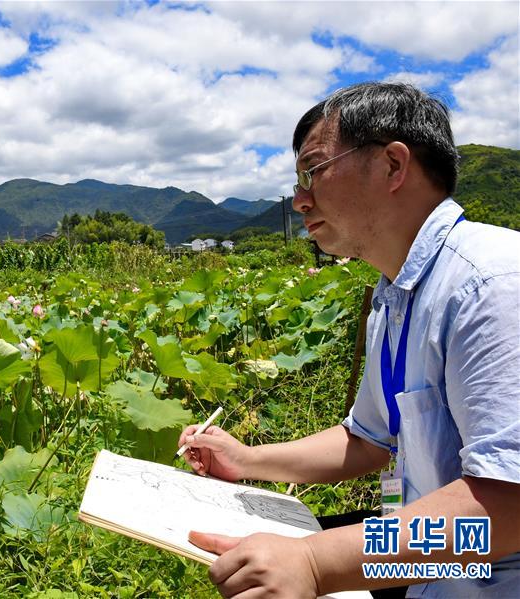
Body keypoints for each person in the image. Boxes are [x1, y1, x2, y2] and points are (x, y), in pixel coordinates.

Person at [179, 82, 520, 598]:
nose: (298, 199)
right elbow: (366, 441)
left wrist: (316, 564)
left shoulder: (491, 284)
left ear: (393, 166)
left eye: (312, 171)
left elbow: (507, 508)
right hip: (423, 570)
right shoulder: (395, 293)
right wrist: (247, 459)